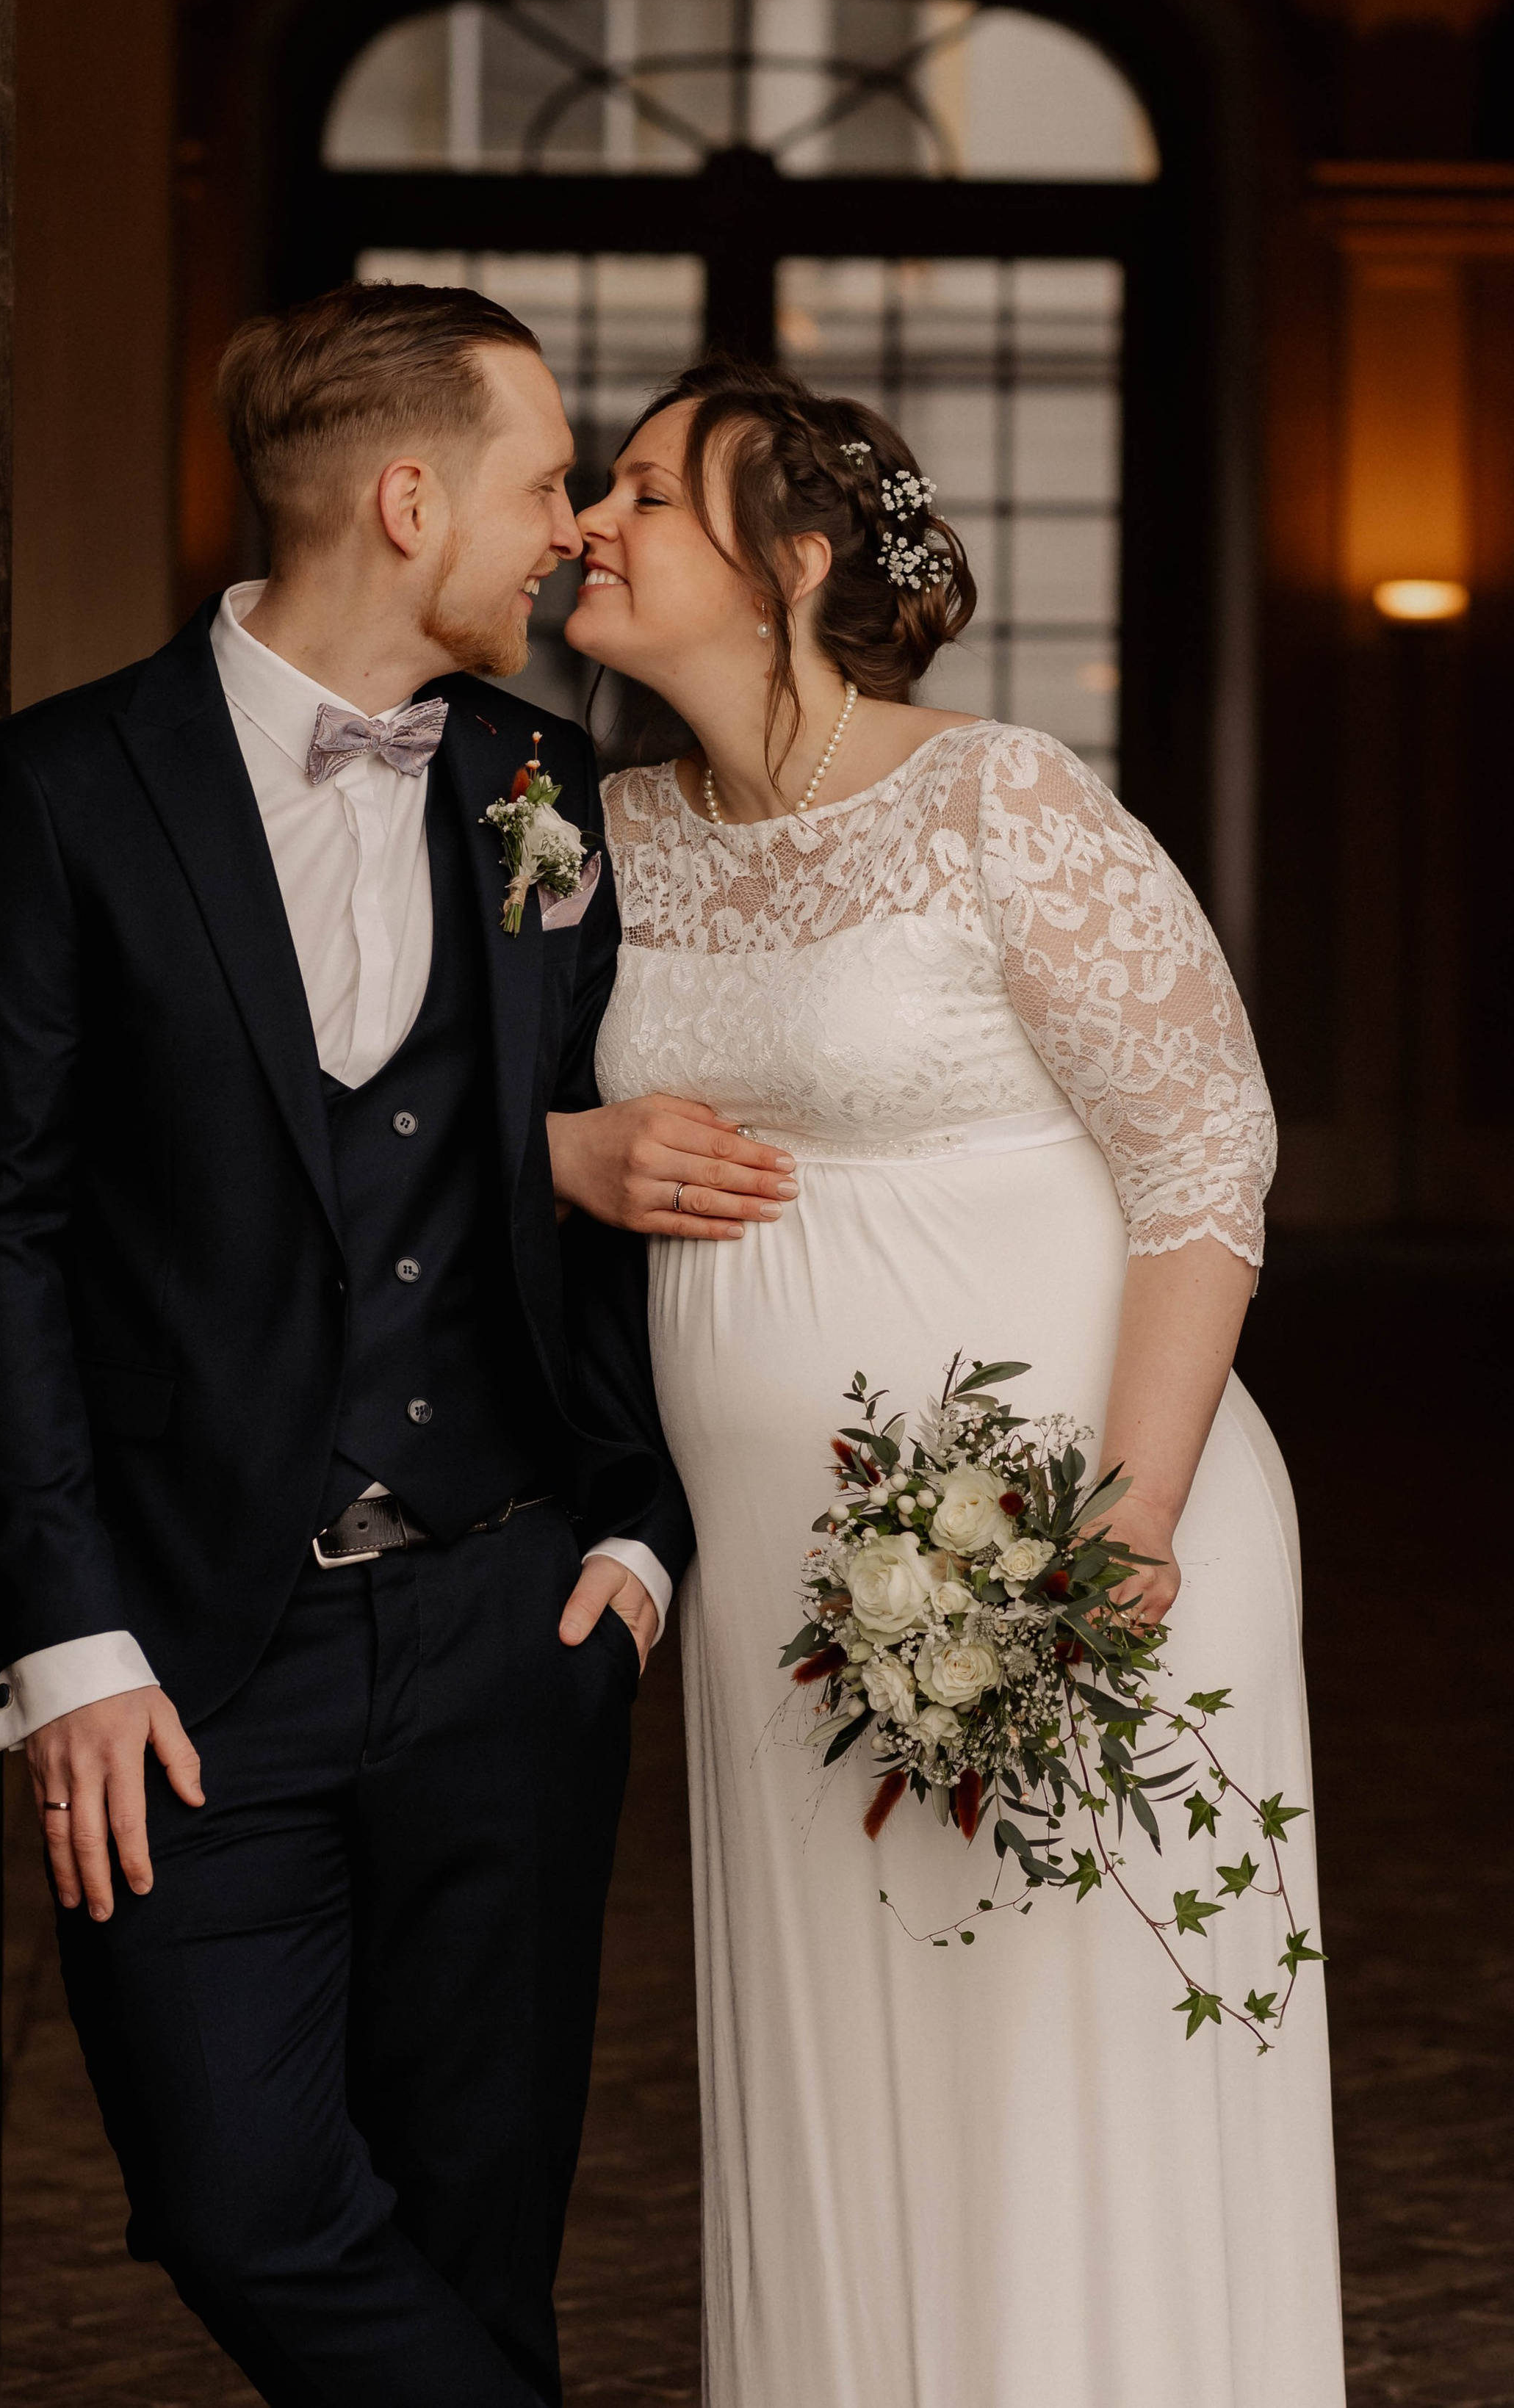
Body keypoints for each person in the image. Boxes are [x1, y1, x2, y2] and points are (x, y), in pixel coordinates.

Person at [0, 281, 693, 2408]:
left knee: (478, 2227)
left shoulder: (541, 780)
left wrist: (636, 1534)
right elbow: (1, 1238)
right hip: (185, 1652)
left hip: (510, 1621)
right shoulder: (58, 789)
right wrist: (68, 1634)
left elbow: (574, 1158)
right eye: (547, 482)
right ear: (410, 498)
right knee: (239, 2199)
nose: (574, 530)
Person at [548, 361, 1345, 2408]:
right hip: (786, 1585)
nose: (589, 521)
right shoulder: (598, 835)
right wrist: (565, 1151)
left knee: (1069, 2069)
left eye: (647, 490)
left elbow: (1207, 1154)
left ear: (792, 564)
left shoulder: (1004, 800)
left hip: (1081, 1536)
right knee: (851, 2064)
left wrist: (1125, 1523)